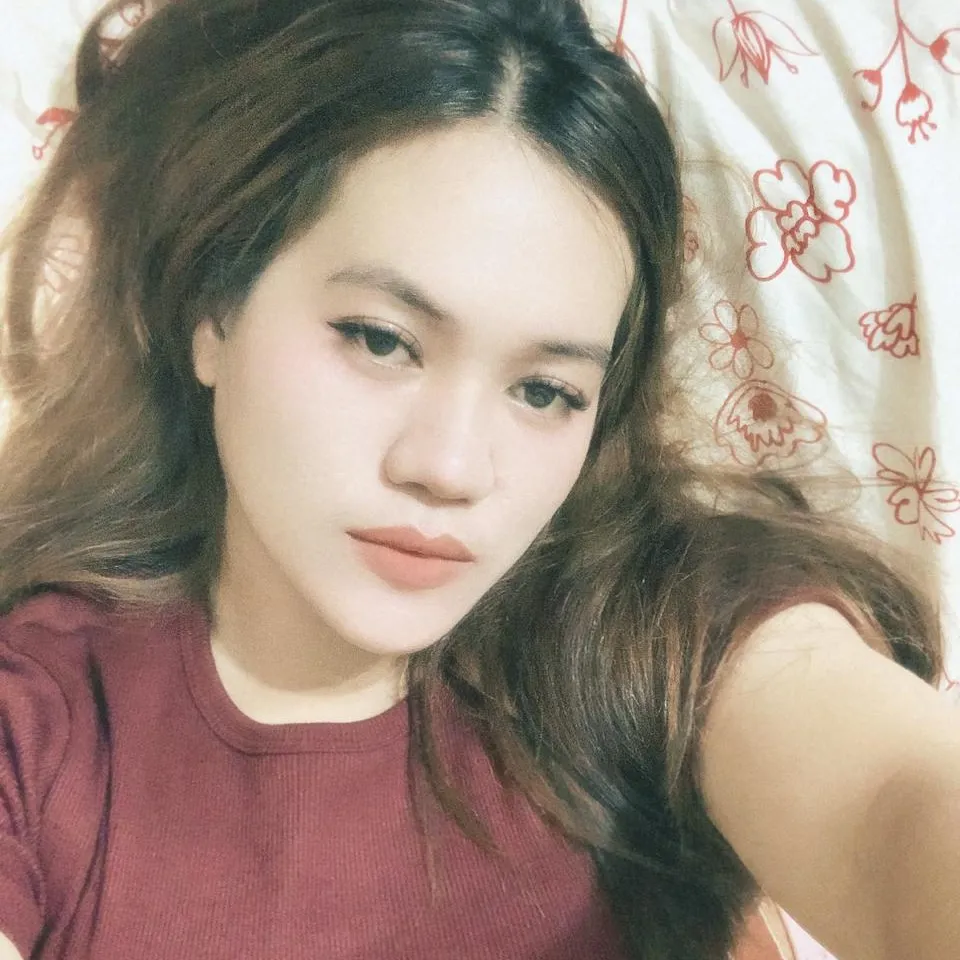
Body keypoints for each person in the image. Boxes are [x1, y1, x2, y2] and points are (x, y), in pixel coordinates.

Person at [0, 0, 957, 958]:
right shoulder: (38, 720)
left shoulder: (662, 635)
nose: (450, 468)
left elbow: (892, 802)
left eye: (544, 392)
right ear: (214, 311)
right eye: (381, 341)